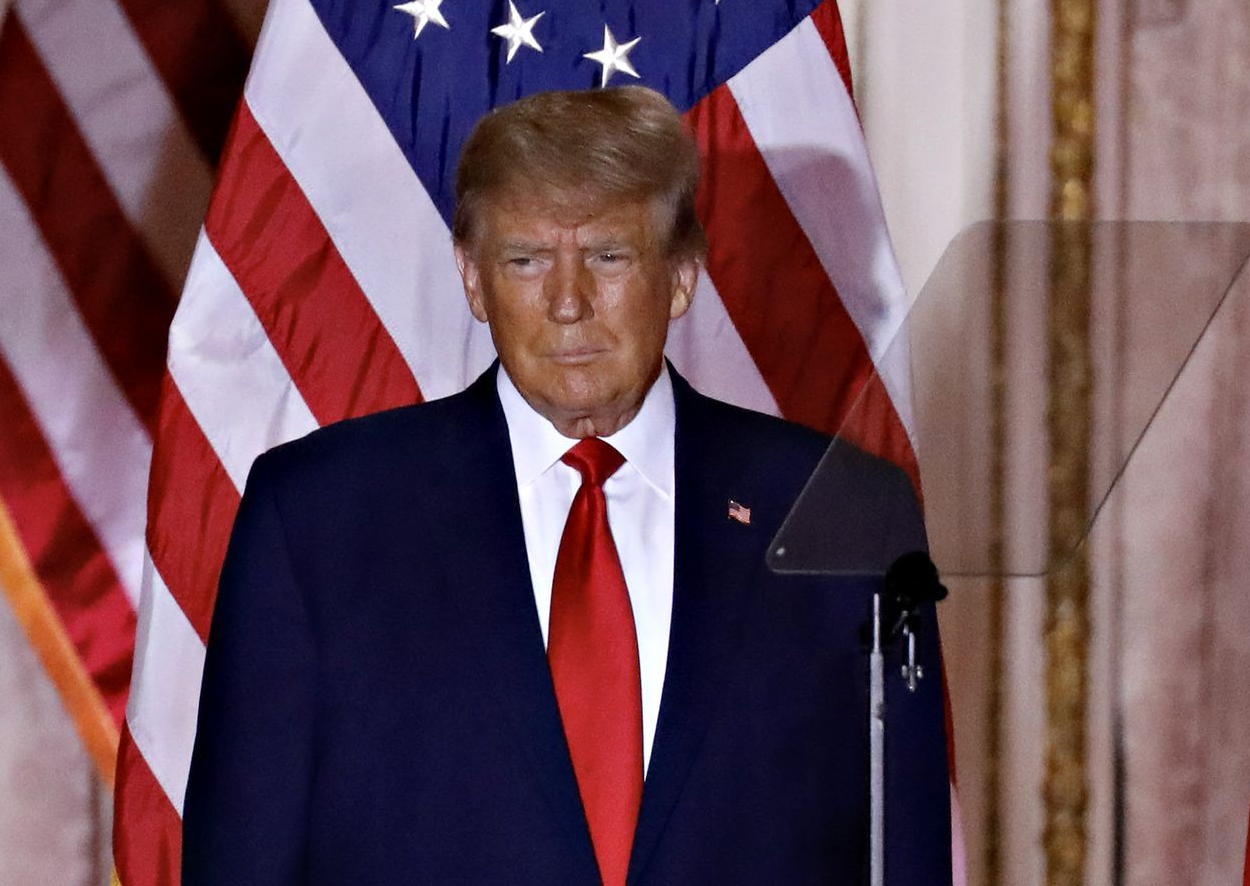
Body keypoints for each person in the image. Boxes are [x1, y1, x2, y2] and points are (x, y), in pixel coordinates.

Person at [180, 87, 952, 884]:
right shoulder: (317, 520)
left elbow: (903, 858)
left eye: (609, 255)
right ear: (474, 281)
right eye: (525, 260)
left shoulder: (845, 518)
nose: (568, 302)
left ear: (682, 275)